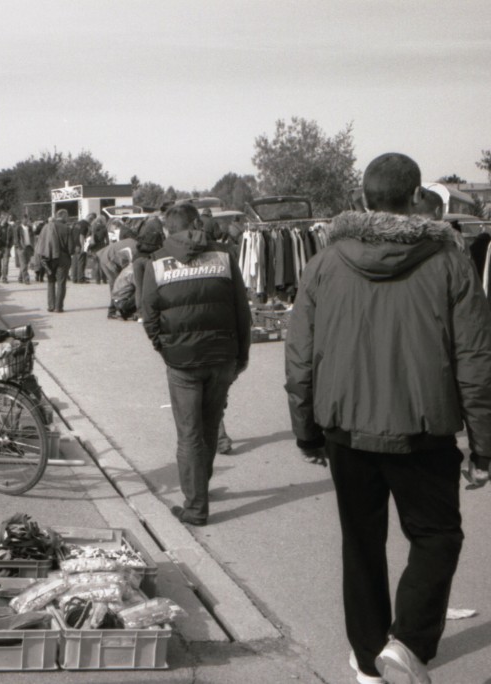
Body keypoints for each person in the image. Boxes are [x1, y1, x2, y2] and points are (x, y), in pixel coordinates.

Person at [284, 152, 491, 684]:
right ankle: (409, 642)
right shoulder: (451, 261)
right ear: (417, 197)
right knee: (437, 536)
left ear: (362, 198)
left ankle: (370, 655)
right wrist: (485, 445)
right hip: (423, 431)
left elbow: (300, 355)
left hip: (347, 431)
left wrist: (306, 430)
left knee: (362, 541)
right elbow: (476, 360)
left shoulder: (325, 263)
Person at [141, 202, 251, 526]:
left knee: (189, 435)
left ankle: (195, 507)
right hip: (222, 358)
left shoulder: (157, 262)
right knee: (209, 428)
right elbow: (242, 310)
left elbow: (148, 316)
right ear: (196, 224)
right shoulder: (223, 256)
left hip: (183, 363)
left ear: (167, 229)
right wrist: (241, 355)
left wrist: (166, 348)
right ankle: (200, 489)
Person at [37, 209, 74, 312]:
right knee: (61, 283)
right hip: (62, 258)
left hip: (48, 257)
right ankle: (58, 307)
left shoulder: (46, 227)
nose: (68, 218)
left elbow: (41, 243)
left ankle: (51, 305)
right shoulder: (67, 228)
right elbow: (70, 248)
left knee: (50, 281)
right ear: (64, 216)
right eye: (67, 216)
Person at [98, 228, 138, 319]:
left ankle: (116, 309)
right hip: (109, 261)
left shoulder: (130, 242)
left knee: (118, 284)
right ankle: (113, 311)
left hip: (106, 257)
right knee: (117, 285)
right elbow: (131, 267)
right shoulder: (135, 247)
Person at [69, 213, 92, 283]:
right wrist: (82, 246)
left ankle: (74, 278)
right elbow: (81, 235)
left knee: (74, 262)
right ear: (91, 219)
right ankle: (80, 278)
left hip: (74, 245)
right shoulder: (85, 225)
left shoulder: (77, 223)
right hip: (79, 244)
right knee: (81, 262)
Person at [88, 215, 109, 284]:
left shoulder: (92, 228)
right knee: (102, 263)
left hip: (94, 247)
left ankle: (97, 280)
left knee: (96, 263)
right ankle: (104, 279)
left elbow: (88, 237)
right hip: (102, 246)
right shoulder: (104, 228)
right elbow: (107, 240)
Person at [14, 219, 34, 284]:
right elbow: (16, 239)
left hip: (28, 247)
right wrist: (19, 247)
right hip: (21, 248)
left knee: (25, 264)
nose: (26, 221)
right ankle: (26, 278)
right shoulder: (18, 228)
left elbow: (32, 237)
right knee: (23, 264)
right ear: (22, 221)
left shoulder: (30, 228)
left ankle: (20, 277)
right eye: (24, 220)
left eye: (27, 220)